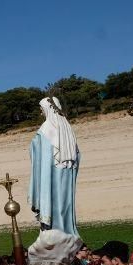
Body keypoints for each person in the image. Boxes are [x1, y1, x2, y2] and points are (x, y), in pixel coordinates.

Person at [27, 96, 80, 236]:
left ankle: (54, 230)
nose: (41, 113)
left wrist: (34, 144)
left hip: (51, 176)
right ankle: (67, 230)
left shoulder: (46, 128)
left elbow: (41, 155)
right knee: (65, 204)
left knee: (55, 204)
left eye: (41, 109)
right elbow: (77, 156)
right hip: (67, 175)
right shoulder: (67, 129)